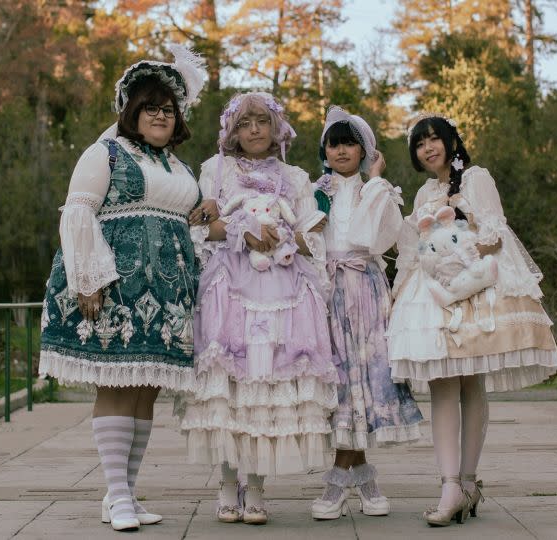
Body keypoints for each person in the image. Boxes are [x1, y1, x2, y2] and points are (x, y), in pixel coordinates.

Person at [38, 46, 216, 531]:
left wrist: (207, 215)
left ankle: (127, 494)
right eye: (150, 107)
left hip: (168, 293)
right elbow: (78, 212)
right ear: (132, 112)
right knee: (117, 385)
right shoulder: (105, 152)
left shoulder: (177, 166)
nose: (160, 115)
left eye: (168, 109)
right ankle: (115, 495)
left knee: (144, 393)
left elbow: (189, 225)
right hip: (117, 285)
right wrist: (89, 279)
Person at [387, 113, 557, 526]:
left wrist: (462, 239)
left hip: (477, 289)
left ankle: (467, 482)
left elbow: (495, 233)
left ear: (450, 141)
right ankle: (449, 486)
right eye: (419, 144)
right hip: (433, 295)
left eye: (434, 140)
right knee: (443, 385)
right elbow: (413, 251)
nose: (428, 148)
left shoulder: (476, 178)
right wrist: (399, 293)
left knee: (471, 383)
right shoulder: (423, 193)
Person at [181, 91, 335, 525]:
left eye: (262, 122)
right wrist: (241, 229)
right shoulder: (215, 172)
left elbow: (314, 238)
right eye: (245, 123)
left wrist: (283, 237)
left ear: (276, 129)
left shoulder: (296, 177)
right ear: (232, 129)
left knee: (265, 386)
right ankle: (228, 484)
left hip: (283, 291)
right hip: (230, 292)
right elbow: (197, 229)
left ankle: (258, 487)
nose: (253, 130)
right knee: (231, 387)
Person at [310, 106, 423, 520]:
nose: (341, 151)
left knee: (366, 375)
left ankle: (343, 476)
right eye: (334, 143)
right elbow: (307, 238)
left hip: (367, 289)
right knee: (340, 377)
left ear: (364, 150)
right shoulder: (314, 190)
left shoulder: (378, 191)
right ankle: (359, 475)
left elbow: (374, 239)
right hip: (327, 290)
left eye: (350, 143)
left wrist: (375, 182)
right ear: (324, 150)